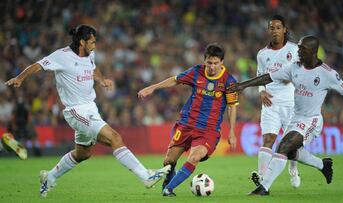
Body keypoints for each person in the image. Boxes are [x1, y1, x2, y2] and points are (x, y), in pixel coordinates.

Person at [5, 24, 170, 198]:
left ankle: (49, 176)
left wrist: (102, 79)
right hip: (76, 111)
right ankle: (146, 176)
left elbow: (92, 68)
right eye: (92, 42)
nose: (95, 45)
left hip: (91, 108)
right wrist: (19, 78)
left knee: (83, 153)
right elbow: (37, 65)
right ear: (82, 42)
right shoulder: (61, 56)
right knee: (114, 137)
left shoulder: (90, 54)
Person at [227, 35, 343, 195]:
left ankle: (263, 187)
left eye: (302, 49)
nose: (298, 51)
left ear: (313, 52)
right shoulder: (294, 67)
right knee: (292, 153)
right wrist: (243, 85)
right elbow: (268, 77)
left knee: (283, 146)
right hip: (296, 117)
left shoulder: (327, 73)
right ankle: (323, 165)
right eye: (299, 47)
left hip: (311, 120)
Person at [138, 43, 239, 197]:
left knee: (194, 157)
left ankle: (169, 189)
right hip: (187, 124)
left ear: (222, 62)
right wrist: (153, 87)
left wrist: (232, 132)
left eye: (216, 63)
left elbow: (232, 106)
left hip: (208, 130)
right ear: (204, 61)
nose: (212, 67)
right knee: (168, 162)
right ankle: (171, 178)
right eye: (209, 63)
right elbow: (175, 79)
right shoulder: (196, 71)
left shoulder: (228, 81)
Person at [253, 14, 301, 188]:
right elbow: (260, 76)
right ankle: (262, 179)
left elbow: (299, 72)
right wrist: (261, 91)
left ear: (284, 30)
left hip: (291, 104)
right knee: (268, 139)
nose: (275, 31)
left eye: (278, 28)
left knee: (291, 146)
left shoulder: (295, 49)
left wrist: (292, 76)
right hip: (270, 103)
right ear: (268, 31)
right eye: (272, 28)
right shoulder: (262, 54)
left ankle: (293, 169)